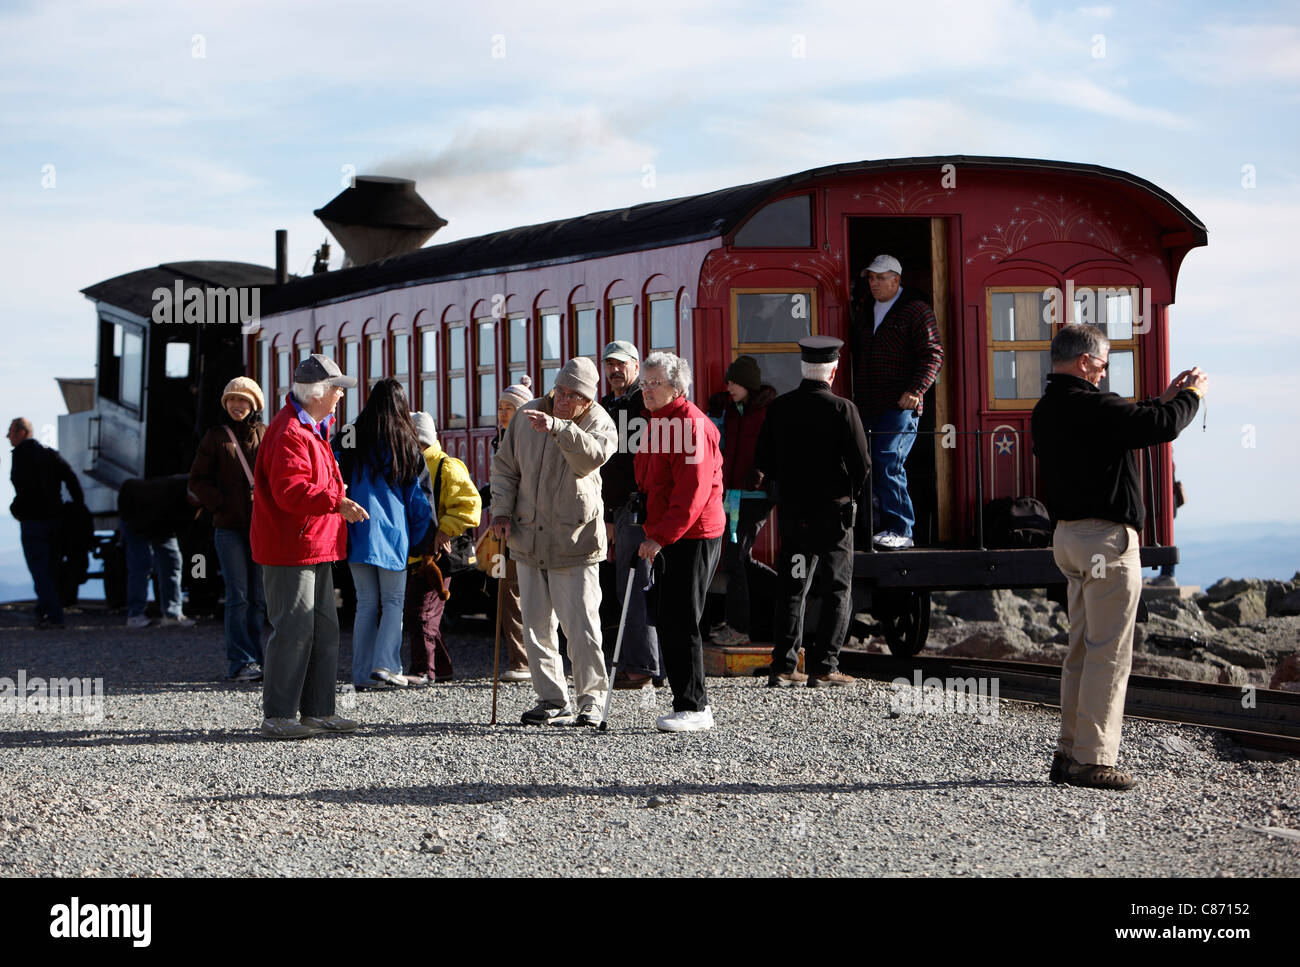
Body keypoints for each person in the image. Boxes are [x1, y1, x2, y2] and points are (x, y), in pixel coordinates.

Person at [1031, 324, 1206, 790]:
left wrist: (1165, 395)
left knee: (1080, 651)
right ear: (1086, 362)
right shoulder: (1095, 406)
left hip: (1067, 539)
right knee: (1109, 653)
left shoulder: (1047, 409)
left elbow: (1128, 417)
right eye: (1104, 363)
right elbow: (1160, 426)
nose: (1106, 372)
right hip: (1105, 542)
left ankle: (1068, 752)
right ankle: (1092, 759)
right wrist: (1190, 396)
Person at [490, 357, 615, 727]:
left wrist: (560, 428)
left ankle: (591, 699)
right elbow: (505, 468)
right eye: (560, 391)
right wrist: (500, 510)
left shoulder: (600, 422)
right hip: (527, 535)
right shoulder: (527, 415)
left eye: (573, 396)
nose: (562, 399)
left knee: (581, 628)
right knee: (536, 626)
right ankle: (551, 698)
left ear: (587, 401)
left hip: (574, 539)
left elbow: (589, 459)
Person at [251, 353, 369, 740]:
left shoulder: (310, 427)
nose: (340, 395)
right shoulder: (290, 432)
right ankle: (279, 715)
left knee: (322, 629)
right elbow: (290, 492)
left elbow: (301, 487)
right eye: (336, 389)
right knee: (295, 629)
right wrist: (336, 501)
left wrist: (333, 497)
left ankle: (318, 711)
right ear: (318, 392)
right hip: (292, 546)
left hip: (313, 543)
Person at [753, 336, 870, 688]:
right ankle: (824, 667)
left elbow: (764, 461)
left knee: (793, 586)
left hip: (794, 517)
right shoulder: (843, 409)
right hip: (833, 519)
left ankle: (784, 665)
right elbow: (862, 464)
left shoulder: (780, 408)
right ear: (832, 371)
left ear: (803, 369)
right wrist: (850, 493)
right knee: (836, 588)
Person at [634, 352, 726, 732]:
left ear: (677, 386)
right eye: (645, 383)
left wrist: (660, 536)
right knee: (670, 616)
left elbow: (692, 491)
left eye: (655, 383)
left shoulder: (689, 424)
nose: (646, 389)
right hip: (672, 532)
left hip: (693, 534)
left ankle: (695, 706)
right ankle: (685, 700)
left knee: (682, 617)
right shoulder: (657, 421)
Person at [337, 379, 434, 692]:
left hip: (356, 530)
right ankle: (387, 665)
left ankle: (362, 672)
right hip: (392, 535)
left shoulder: (350, 436)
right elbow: (419, 500)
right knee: (393, 602)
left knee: (365, 603)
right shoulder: (405, 442)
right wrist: (422, 539)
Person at [850, 254, 943, 550]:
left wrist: (916, 390)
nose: (874, 283)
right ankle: (874, 527)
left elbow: (933, 354)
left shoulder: (916, 309)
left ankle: (902, 530)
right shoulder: (865, 308)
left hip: (900, 404)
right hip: (867, 403)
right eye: (871, 278)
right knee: (866, 464)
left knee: (888, 461)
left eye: (880, 277)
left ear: (896, 280)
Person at [189, 377, 267, 681]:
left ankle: (257, 658)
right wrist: (219, 504)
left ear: (254, 404)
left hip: (261, 527)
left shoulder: (266, 434)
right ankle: (241, 661)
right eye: (232, 400)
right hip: (229, 528)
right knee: (238, 596)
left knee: (259, 598)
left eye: (243, 400)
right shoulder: (215, 437)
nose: (237, 405)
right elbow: (197, 479)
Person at [599, 339, 663, 688]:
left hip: (640, 506)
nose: (614, 370)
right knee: (627, 587)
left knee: (638, 585)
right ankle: (636, 662)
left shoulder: (643, 404)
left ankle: (642, 667)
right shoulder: (611, 405)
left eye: (621, 364)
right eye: (609, 364)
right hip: (619, 509)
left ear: (636, 367)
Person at [403, 410, 480, 686]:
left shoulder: (447, 466)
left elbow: (469, 505)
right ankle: (442, 669)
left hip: (437, 558)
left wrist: (444, 530)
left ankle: (423, 671)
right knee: (425, 613)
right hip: (417, 555)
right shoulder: (414, 464)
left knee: (421, 613)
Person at [707, 354, 775, 646]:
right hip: (734, 495)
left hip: (756, 496)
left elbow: (778, 447)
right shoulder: (731, 410)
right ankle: (785, 591)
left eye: (733, 382)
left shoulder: (766, 412)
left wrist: (763, 471)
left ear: (748, 383)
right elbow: (717, 443)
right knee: (739, 559)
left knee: (734, 559)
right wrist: (715, 416)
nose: (728, 386)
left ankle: (739, 628)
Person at [8, 417, 85, 628]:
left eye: (11, 432)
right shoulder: (50, 455)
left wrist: (16, 508)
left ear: (22, 433)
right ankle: (44, 609)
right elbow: (71, 478)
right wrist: (77, 506)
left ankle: (53, 615)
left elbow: (24, 488)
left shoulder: (22, 456)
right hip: (56, 520)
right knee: (52, 567)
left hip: (34, 522)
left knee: (40, 569)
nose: (8, 437)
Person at [491, 378, 533, 682]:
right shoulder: (501, 439)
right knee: (507, 591)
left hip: (526, 526)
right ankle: (518, 657)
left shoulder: (526, 439)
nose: (503, 414)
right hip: (505, 527)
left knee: (519, 592)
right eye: (501, 408)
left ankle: (524, 661)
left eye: (510, 408)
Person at [118, 475, 196, 629]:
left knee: (172, 563)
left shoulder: (194, 495)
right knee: (141, 565)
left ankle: (172, 613)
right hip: (137, 519)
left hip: (163, 525)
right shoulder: (166, 495)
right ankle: (135, 615)